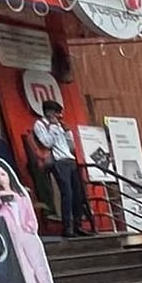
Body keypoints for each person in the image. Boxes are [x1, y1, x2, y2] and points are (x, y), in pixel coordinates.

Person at [33, 100, 93, 237]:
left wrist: (67, 132)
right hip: (58, 161)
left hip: (70, 160)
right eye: (56, 113)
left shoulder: (60, 125)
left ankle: (78, 225)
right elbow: (46, 142)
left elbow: (71, 147)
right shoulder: (40, 124)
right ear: (49, 112)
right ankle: (67, 227)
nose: (59, 116)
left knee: (78, 194)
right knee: (67, 193)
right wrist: (53, 128)